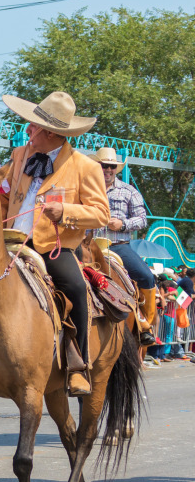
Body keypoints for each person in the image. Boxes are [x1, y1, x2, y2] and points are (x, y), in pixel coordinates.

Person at [0, 92, 109, 396]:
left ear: (51, 133)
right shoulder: (20, 156)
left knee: (75, 288)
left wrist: (66, 211)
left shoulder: (86, 167)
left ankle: (77, 367)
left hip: (52, 248)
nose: (28, 130)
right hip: (9, 243)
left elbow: (101, 213)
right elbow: (5, 198)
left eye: (33, 126)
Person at [93, 147, 158, 346]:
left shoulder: (128, 190)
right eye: (104, 166)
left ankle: (145, 325)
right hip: (88, 247)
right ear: (97, 166)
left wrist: (123, 224)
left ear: (116, 169)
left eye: (112, 166)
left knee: (146, 276)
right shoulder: (86, 188)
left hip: (118, 246)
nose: (108, 170)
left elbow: (142, 219)